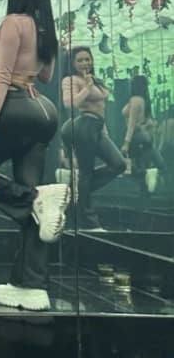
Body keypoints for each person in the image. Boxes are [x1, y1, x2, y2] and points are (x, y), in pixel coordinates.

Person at [0, 0, 69, 312]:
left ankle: (33, 198)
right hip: (42, 111)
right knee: (36, 215)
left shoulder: (14, 22)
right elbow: (46, 75)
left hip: (13, 107)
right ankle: (30, 285)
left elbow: (1, 74)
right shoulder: (46, 29)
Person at [60, 46, 126, 230]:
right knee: (86, 173)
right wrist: (87, 87)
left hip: (97, 127)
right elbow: (69, 103)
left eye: (87, 59)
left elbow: (101, 108)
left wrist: (104, 132)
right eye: (80, 60)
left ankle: (75, 191)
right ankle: (89, 221)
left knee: (119, 164)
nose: (85, 63)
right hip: (84, 125)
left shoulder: (94, 79)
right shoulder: (70, 80)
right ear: (72, 63)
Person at [122, 74, 163, 194]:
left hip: (136, 135)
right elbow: (147, 120)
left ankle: (148, 174)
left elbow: (132, 123)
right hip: (143, 135)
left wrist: (126, 143)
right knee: (144, 161)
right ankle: (146, 186)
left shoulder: (135, 100)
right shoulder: (143, 100)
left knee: (127, 165)